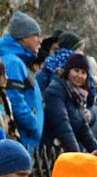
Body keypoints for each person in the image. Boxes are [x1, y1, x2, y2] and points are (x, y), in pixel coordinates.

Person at [0, 11, 44, 152]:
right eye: (36, 35)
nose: (40, 40)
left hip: (24, 141)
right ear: (23, 37)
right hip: (21, 141)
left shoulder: (19, 62)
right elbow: (14, 99)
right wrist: (33, 125)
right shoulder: (12, 62)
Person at [42, 52, 97, 153]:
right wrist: (76, 153)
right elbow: (62, 124)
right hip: (53, 149)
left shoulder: (78, 96)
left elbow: (83, 128)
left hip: (65, 151)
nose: (79, 76)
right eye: (76, 71)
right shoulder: (56, 90)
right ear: (68, 71)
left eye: (83, 72)